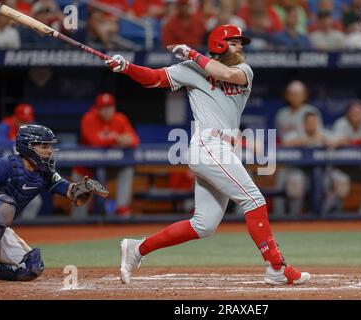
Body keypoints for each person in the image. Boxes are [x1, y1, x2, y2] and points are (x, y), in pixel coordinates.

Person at [106, 24, 311, 285]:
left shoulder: (243, 70)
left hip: (224, 149)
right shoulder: (189, 69)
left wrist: (192, 53)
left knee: (204, 225)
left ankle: (136, 249)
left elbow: (224, 73)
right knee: (254, 200)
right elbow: (153, 78)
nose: (241, 48)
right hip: (208, 145)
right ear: (220, 45)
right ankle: (276, 267)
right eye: (235, 43)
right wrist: (127, 67)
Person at [0, 125, 100, 281]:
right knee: (5, 204)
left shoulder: (44, 172)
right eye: (44, 146)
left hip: (1, 232)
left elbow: (67, 188)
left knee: (32, 267)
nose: (50, 150)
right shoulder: (6, 165)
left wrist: (80, 189)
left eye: (49, 146)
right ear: (28, 147)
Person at [72, 93, 140, 218]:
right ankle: (76, 229)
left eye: (109, 106)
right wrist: (117, 139)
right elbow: (95, 142)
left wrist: (128, 140)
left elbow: (135, 140)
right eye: (103, 107)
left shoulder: (120, 119)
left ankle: (122, 208)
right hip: (86, 170)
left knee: (127, 168)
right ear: (97, 109)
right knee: (79, 214)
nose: (107, 110)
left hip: (110, 167)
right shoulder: (88, 118)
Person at [274, 81, 321, 214]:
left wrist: (300, 141)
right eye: (292, 94)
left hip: (309, 161)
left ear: (304, 95)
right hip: (288, 160)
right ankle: (278, 218)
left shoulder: (311, 112)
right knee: (280, 185)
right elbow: (283, 141)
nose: (295, 97)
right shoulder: (281, 114)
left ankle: (297, 219)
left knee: (298, 184)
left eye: (299, 94)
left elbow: (318, 137)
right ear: (287, 96)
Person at [331, 99, 361, 214]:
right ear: (348, 113)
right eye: (353, 112)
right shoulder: (341, 123)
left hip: (360, 167)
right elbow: (335, 142)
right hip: (341, 167)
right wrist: (359, 141)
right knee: (341, 181)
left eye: (359, 112)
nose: (356, 115)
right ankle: (335, 213)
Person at [0, 103, 42, 220]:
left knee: (34, 202)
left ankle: (24, 228)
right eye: (22, 121)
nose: (25, 125)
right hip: (4, 174)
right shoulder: (5, 125)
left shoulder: (34, 127)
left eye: (28, 121)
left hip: (23, 174)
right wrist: (20, 145)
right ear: (15, 118)